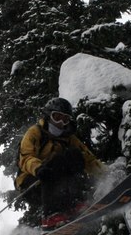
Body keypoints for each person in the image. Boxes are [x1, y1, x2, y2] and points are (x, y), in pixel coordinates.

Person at [16, 97, 103, 228]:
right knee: (57, 161)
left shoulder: (69, 139)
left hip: (58, 185)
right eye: (57, 117)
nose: (60, 123)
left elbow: (89, 160)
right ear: (48, 116)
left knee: (74, 154)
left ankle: (74, 204)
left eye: (65, 119)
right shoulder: (35, 132)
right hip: (32, 183)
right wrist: (38, 168)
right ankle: (50, 216)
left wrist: (106, 174)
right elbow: (26, 157)